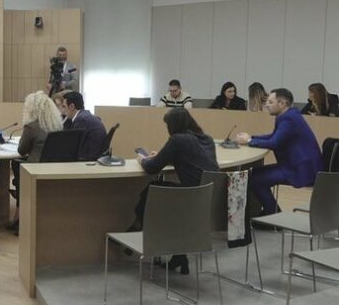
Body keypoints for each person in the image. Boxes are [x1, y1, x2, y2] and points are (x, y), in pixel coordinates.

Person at [133, 108, 219, 274]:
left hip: (190, 197)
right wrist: (164, 155)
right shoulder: (207, 139)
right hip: (207, 198)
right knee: (157, 190)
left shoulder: (178, 140)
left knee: (151, 190)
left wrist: (142, 160)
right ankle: (179, 254)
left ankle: (143, 230)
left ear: (173, 125)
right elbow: (194, 159)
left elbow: (151, 168)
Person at [236, 88, 323, 216]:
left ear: (282, 103)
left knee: (256, 180)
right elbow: (274, 136)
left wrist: (249, 141)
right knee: (253, 174)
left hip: (301, 170)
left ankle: (272, 214)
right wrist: (251, 138)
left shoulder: (288, 119)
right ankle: (270, 212)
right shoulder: (289, 115)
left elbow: (274, 143)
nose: (267, 105)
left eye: (271, 102)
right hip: (294, 165)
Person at [8, 91, 65, 234]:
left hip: (33, 171)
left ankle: (19, 215)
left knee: (16, 164)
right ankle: (19, 213)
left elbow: (21, 150)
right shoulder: (57, 124)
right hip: (52, 169)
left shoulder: (31, 126)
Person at [64, 91, 107, 161]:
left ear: (71, 106)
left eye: (64, 106)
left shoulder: (81, 120)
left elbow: (73, 146)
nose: (63, 110)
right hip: (96, 153)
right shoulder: (85, 115)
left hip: (89, 157)